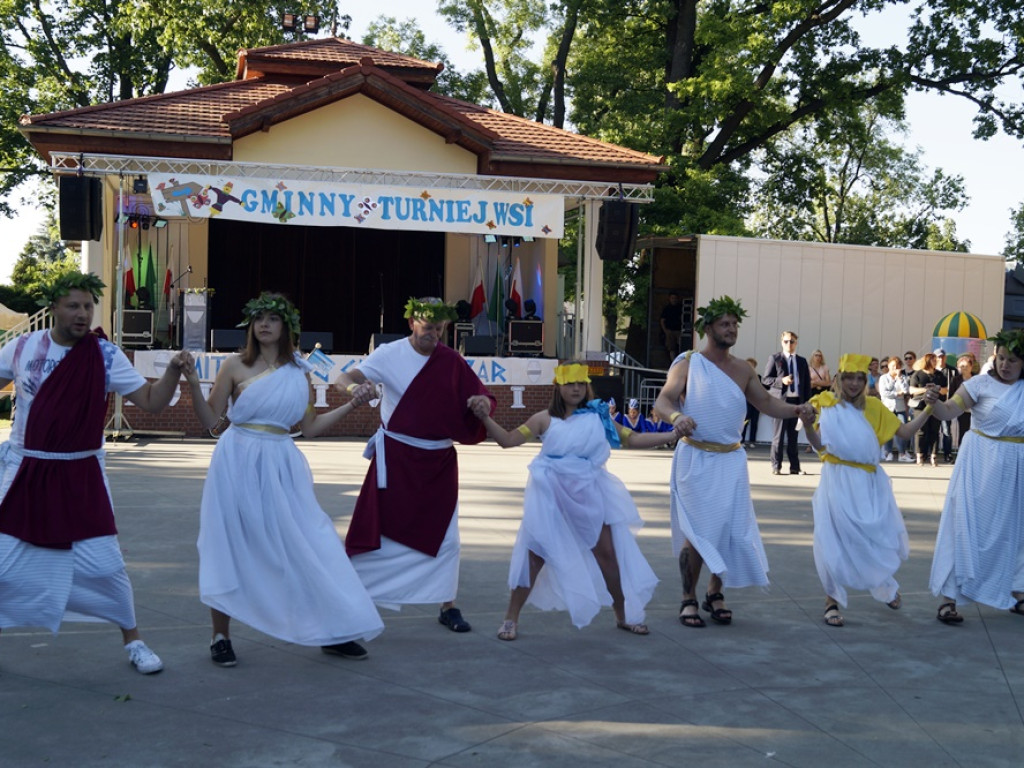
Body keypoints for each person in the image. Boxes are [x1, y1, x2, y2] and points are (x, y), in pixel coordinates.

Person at [0, 272, 190, 674]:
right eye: (73, 306)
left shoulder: (104, 355)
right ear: (53, 307)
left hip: (82, 471)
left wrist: (173, 368)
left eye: (88, 306)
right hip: (26, 468)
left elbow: (153, 403)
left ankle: (134, 640)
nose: (83, 314)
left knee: (106, 566)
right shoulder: (21, 348)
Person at [183, 292, 384, 665]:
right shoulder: (233, 367)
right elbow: (213, 422)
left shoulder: (300, 372)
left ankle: (333, 628)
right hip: (237, 458)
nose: (264, 325)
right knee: (228, 542)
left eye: (272, 319)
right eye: (258, 319)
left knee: (311, 540)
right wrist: (194, 383)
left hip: (282, 461)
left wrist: (351, 404)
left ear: (285, 326)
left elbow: (308, 428)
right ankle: (220, 636)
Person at [469, 362, 675, 640]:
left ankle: (622, 614)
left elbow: (633, 438)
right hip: (550, 495)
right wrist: (484, 418)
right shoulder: (543, 419)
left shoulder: (599, 417)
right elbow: (507, 440)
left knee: (608, 557)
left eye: (581, 383)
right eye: (570, 384)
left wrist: (674, 435)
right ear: (558, 387)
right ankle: (510, 617)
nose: (576, 388)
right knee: (535, 557)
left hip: (589, 493)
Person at [337, 297, 496, 633]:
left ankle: (447, 605)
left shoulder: (451, 361)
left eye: (439, 328)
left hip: (437, 462)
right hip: (397, 459)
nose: (433, 334)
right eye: (427, 326)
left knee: (447, 539)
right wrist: (356, 386)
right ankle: (351, 598)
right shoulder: (389, 354)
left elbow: (481, 394)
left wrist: (483, 402)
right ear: (412, 322)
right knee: (379, 533)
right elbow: (343, 377)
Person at [655, 296, 804, 627]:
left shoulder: (742, 369)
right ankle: (687, 597)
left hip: (730, 460)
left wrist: (796, 410)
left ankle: (714, 592)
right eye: (724, 324)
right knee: (696, 533)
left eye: (735, 324)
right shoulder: (689, 363)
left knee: (729, 531)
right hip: (694, 456)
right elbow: (663, 399)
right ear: (708, 328)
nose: (731, 329)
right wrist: (676, 415)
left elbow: (766, 402)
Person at [797, 354, 936, 627]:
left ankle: (885, 586)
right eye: (848, 377)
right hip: (838, 478)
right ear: (838, 379)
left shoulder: (874, 406)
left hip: (870, 481)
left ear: (864, 381)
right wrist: (808, 419)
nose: (853, 383)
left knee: (875, 538)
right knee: (832, 539)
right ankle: (831, 601)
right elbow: (818, 443)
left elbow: (905, 432)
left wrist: (929, 410)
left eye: (858, 378)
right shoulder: (825, 404)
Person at [927, 329, 1024, 624]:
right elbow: (947, 411)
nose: (1005, 365)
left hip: (1016, 467)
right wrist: (933, 402)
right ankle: (949, 599)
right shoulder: (979, 384)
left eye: (1012, 360)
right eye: (1001, 358)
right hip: (979, 465)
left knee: (1016, 530)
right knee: (965, 527)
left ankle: (1018, 592)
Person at [763, 330, 811, 475]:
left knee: (793, 436)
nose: (789, 344)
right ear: (781, 342)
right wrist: (781, 381)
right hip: (780, 403)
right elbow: (765, 379)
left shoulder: (802, 361)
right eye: (786, 341)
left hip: (796, 402)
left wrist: (806, 403)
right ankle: (776, 466)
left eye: (792, 341)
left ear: (796, 343)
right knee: (778, 436)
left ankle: (795, 467)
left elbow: (806, 384)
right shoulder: (775, 358)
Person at [909, 353, 945, 466]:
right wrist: (925, 389)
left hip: (936, 405)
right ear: (927, 361)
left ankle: (933, 456)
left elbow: (945, 390)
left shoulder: (940, 375)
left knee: (935, 431)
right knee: (921, 431)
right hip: (921, 406)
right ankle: (920, 455)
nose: (936, 362)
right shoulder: (918, 374)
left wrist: (937, 389)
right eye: (933, 360)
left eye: (936, 360)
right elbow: (911, 390)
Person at [878, 356, 915, 462]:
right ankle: (888, 452)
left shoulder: (902, 377)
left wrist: (899, 379)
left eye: (897, 366)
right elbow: (884, 393)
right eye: (893, 366)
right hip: (888, 407)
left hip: (900, 408)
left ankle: (902, 453)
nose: (895, 368)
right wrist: (897, 393)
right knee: (888, 431)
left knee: (902, 430)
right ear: (889, 366)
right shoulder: (883, 378)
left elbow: (906, 390)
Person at [952, 353, 974, 452]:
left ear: (971, 367)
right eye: (961, 366)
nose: (964, 368)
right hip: (962, 411)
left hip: (975, 411)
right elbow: (952, 395)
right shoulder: (956, 380)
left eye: (966, 366)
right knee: (963, 432)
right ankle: (962, 452)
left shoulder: (976, 379)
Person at [741, 357, 762, 448]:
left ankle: (752, 441)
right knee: (744, 422)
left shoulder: (759, 377)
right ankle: (741, 440)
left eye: (752, 365)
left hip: (756, 402)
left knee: (754, 422)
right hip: (745, 401)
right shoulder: (742, 376)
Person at [660, 291, 684, 358]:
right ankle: (673, 363)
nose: (674, 300)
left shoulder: (681, 308)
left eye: (675, 298)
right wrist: (666, 331)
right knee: (671, 348)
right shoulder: (666, 309)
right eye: (672, 298)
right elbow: (662, 321)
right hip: (670, 331)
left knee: (681, 347)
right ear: (669, 299)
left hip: (679, 331)